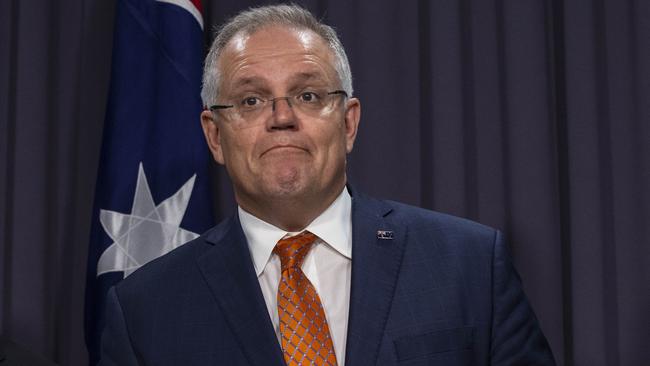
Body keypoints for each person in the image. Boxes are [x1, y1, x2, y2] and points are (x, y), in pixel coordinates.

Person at [99, 4, 555, 365]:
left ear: (349, 123)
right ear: (214, 136)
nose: (281, 118)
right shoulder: (144, 311)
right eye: (251, 99)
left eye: (308, 95)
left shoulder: (469, 265)